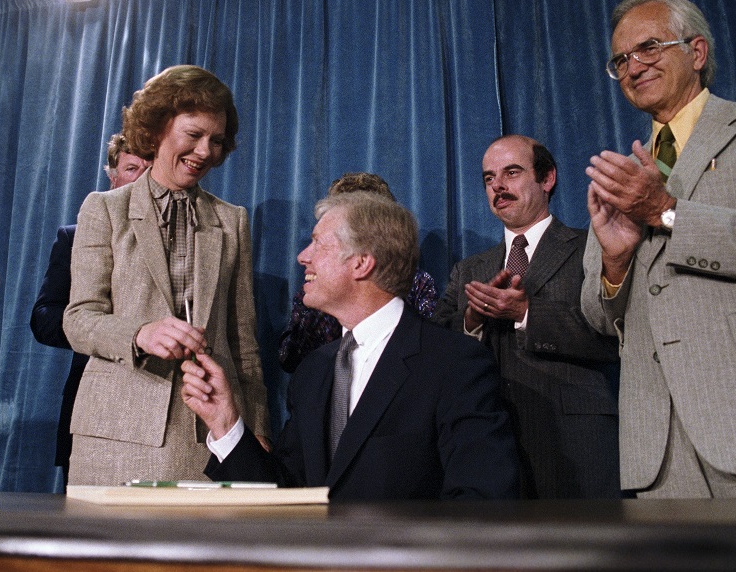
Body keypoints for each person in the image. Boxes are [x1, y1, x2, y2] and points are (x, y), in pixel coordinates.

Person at [582, 0, 736, 498]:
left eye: (648, 47)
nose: (633, 67)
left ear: (697, 52)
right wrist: (614, 261)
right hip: (659, 454)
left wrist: (665, 212)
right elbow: (597, 317)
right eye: (621, 59)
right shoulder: (624, 174)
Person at [181, 191, 519, 500]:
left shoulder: (454, 364)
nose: (302, 257)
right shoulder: (314, 372)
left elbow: (482, 501)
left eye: (317, 244)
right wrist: (225, 422)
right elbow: (284, 496)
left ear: (361, 262)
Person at [63, 65, 270, 486]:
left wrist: (257, 429)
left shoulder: (232, 221)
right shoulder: (103, 209)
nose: (205, 152)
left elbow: (242, 342)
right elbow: (78, 318)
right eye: (193, 135)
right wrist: (140, 333)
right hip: (114, 435)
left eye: (216, 141)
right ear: (156, 130)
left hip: (207, 437)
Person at [434, 135, 620, 499]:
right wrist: (472, 320)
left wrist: (525, 312)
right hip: (485, 450)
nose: (498, 186)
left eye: (512, 172)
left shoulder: (593, 248)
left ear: (547, 178)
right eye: (489, 178)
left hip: (575, 446)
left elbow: (615, 332)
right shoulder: (469, 269)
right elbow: (437, 346)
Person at [30, 133, 150, 484]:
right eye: (131, 168)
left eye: (150, 168)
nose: (141, 178)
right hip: (93, 407)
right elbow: (44, 319)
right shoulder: (75, 236)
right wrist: (107, 330)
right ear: (112, 176)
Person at [278, 172, 438, 372]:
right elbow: (289, 358)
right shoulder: (313, 290)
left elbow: (426, 355)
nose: (303, 257)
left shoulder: (417, 283)